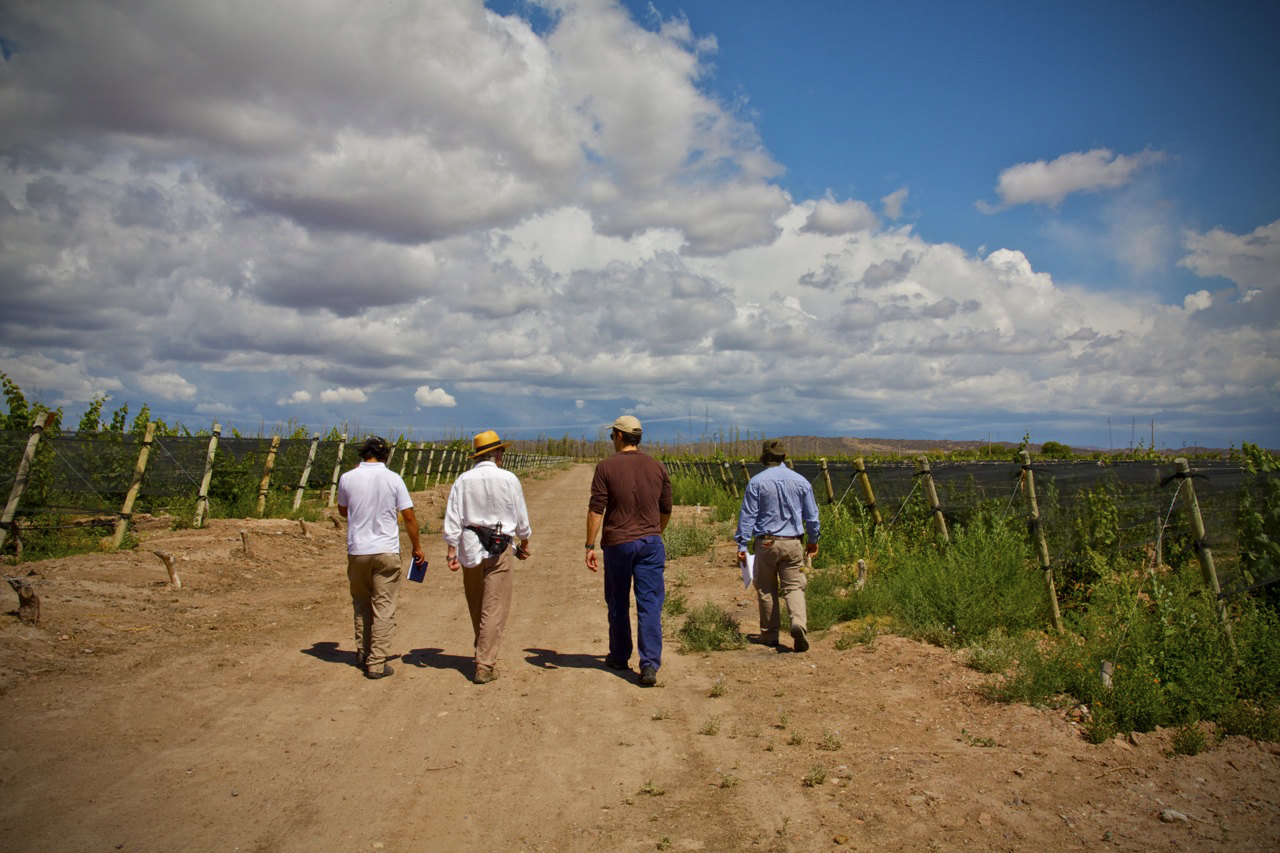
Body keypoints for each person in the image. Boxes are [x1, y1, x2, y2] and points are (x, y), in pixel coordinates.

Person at [585, 415, 672, 686]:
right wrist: (656, 531)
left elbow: (597, 509)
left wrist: (589, 544)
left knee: (618, 602)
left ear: (620, 436)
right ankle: (649, 665)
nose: (611, 439)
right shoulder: (657, 466)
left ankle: (620, 655)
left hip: (618, 543)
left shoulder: (606, 467)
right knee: (650, 605)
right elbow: (666, 508)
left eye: (612, 435)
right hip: (650, 542)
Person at [443, 430, 532, 685]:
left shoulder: (463, 480)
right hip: (500, 546)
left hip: (469, 546)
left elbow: (453, 516)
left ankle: (483, 647)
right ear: (497, 453)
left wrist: (451, 549)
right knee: (494, 606)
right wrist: (524, 542)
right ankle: (484, 664)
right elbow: (521, 516)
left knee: (476, 602)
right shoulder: (509, 479)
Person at [337, 436, 423, 679]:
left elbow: (343, 511)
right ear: (385, 455)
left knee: (361, 603)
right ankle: (376, 662)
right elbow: (408, 516)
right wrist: (417, 547)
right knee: (384, 608)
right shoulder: (393, 479)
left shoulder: (347, 478)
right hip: (386, 550)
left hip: (358, 550)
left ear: (363, 454)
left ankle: (363, 653)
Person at [735, 439, 820, 653]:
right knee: (794, 587)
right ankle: (799, 624)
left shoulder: (756, 482)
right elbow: (812, 516)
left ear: (765, 458)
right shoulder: (801, 481)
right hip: (793, 542)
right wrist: (813, 540)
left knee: (766, 588)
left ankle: (770, 634)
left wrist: (742, 544)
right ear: (784, 456)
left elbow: (748, 516)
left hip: (766, 542)